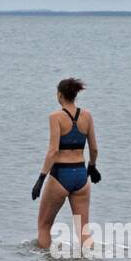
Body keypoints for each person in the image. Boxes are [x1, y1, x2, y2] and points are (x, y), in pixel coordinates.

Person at [32, 77, 100, 249]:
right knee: (84, 231)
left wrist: (41, 179)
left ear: (60, 95)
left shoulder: (56, 117)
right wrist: (92, 167)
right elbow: (94, 149)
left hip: (61, 175)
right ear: (75, 95)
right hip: (81, 176)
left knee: (44, 226)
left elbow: (53, 151)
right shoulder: (87, 116)